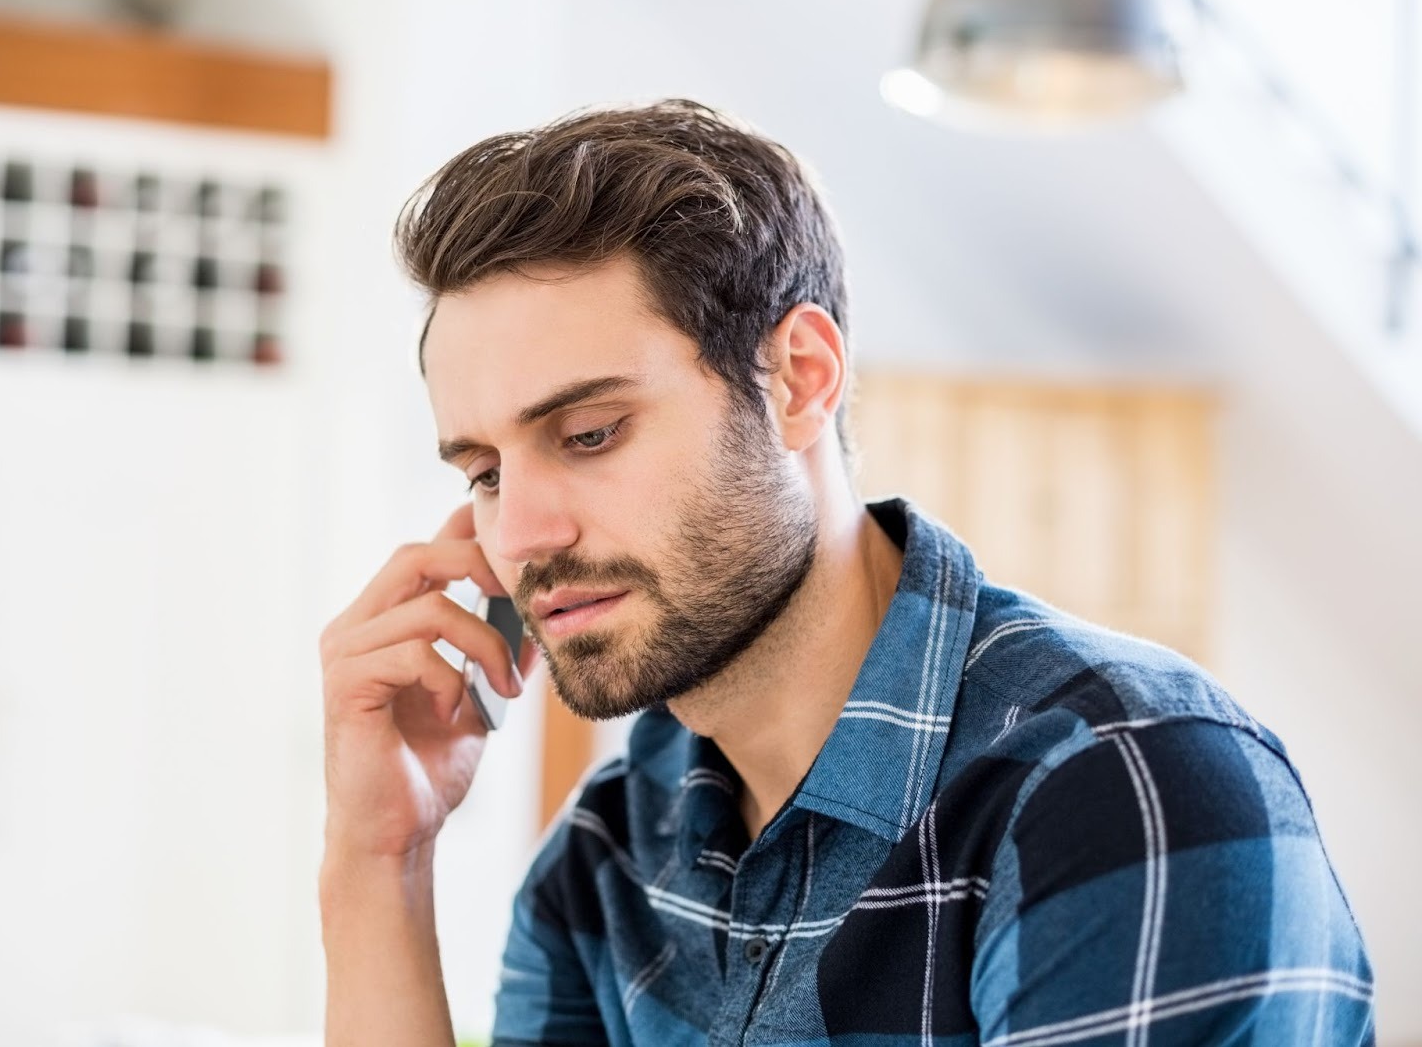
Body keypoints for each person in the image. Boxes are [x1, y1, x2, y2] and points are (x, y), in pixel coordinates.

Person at [317, 99, 1374, 1046]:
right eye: (485, 472)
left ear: (799, 380)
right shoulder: (609, 856)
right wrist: (379, 862)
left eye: (590, 433)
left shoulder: (1121, 782)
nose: (520, 534)